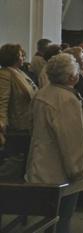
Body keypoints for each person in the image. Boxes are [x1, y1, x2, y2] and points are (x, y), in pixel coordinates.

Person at [26, 53, 83, 233]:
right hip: (60, 170)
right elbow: (72, 140)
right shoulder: (66, 100)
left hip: (41, 163)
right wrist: (78, 171)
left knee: (50, 218)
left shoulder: (43, 93)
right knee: (62, 218)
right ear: (72, 76)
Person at [0, 44, 38, 180]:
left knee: (21, 165)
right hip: (15, 126)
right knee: (13, 166)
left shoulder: (19, 72)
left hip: (26, 125)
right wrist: (2, 125)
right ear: (13, 57)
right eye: (21, 55)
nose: (23, 57)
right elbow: (2, 101)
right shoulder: (5, 74)